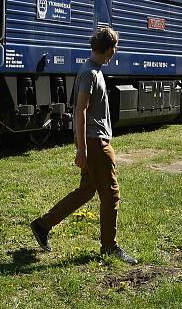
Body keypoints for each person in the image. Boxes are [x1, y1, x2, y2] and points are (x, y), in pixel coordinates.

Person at [30, 27, 137, 264]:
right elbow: (81, 109)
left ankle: (42, 225)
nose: (115, 52)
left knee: (87, 191)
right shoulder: (90, 73)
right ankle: (109, 247)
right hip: (95, 142)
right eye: (114, 48)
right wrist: (82, 148)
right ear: (109, 48)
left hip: (93, 140)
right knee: (111, 194)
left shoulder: (92, 70)